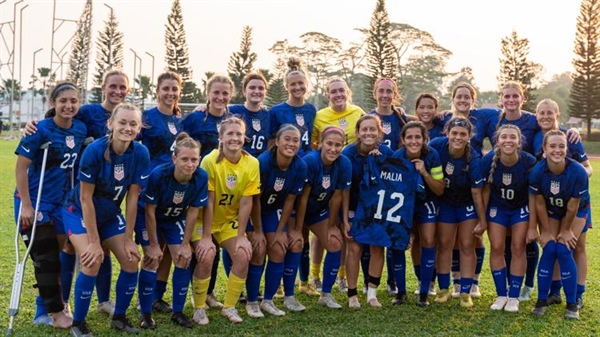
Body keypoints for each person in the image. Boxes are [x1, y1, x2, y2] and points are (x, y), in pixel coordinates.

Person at [24, 70, 131, 317]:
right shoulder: (87, 111)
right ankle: (63, 302)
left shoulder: (130, 114)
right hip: (80, 189)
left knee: (102, 248)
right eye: (112, 86)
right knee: (72, 249)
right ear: (103, 87)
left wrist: (202, 106)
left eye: (122, 87)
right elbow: (60, 116)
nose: (117, 91)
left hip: (110, 193)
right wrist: (34, 125)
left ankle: (104, 301)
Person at [63, 103, 150, 336]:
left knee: (131, 260)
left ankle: (119, 317)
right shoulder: (94, 151)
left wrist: (130, 238)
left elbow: (133, 198)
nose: (127, 128)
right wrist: (93, 241)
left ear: (139, 127)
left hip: (110, 216)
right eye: (122, 122)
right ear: (111, 124)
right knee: (91, 261)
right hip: (78, 212)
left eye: (133, 124)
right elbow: (85, 198)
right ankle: (78, 323)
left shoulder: (140, 153)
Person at [14, 82, 87, 329]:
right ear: (53, 103)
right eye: (63, 101)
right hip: (34, 201)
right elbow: (21, 167)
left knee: (54, 257)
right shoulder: (39, 130)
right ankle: (55, 314)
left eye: (73, 101)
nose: (68, 105)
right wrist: (26, 204)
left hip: (60, 202)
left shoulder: (80, 129)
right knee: (45, 257)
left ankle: (44, 308)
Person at [135, 132, 208, 329]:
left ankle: (178, 312)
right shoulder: (159, 174)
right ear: (174, 158)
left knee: (184, 258)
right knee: (152, 258)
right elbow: (149, 211)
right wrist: (153, 245)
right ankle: (146, 312)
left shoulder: (201, 177)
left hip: (173, 218)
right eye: (184, 159)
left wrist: (185, 244)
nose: (189, 164)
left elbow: (193, 212)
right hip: (148, 217)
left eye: (194, 159)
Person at [192, 116, 260, 323]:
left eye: (239, 134)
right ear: (220, 137)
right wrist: (205, 237)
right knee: (206, 254)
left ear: (244, 137)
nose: (235, 138)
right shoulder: (209, 160)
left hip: (228, 221)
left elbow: (247, 203)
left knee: (242, 253)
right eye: (229, 134)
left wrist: (241, 236)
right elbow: (208, 201)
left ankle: (229, 307)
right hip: (203, 221)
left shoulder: (252, 163)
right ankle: (199, 307)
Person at [533, 99, 592, 309]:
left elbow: (588, 168)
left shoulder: (570, 136)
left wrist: (575, 178)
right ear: (536, 115)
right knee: (554, 246)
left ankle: (578, 293)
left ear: (558, 115)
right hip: (550, 202)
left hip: (576, 200)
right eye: (542, 113)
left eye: (550, 113)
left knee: (576, 246)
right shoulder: (534, 134)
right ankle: (555, 291)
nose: (546, 117)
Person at [183, 74, 235, 308]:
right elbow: (182, 146)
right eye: (216, 92)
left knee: (211, 240)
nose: (220, 97)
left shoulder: (233, 119)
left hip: (222, 188)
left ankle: (209, 292)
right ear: (208, 93)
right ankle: (188, 294)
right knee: (196, 242)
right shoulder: (194, 119)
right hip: (195, 187)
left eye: (225, 93)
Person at [309, 78, 364, 293]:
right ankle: (314, 275)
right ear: (327, 95)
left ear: (348, 92)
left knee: (341, 228)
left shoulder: (357, 111)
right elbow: (314, 142)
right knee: (319, 233)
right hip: (324, 173)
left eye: (342, 90)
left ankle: (341, 276)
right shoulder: (320, 116)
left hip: (347, 172)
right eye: (333, 92)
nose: (338, 94)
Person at [137, 71, 184, 314]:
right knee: (151, 248)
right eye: (166, 88)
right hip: (150, 190)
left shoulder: (180, 121)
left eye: (174, 89)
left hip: (174, 192)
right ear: (157, 91)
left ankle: (157, 296)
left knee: (166, 247)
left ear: (179, 92)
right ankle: (143, 298)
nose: (170, 93)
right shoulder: (145, 118)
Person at [478, 125, 537, 312]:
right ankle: (501, 294)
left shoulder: (528, 161)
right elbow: (484, 190)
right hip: (498, 209)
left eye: (513, 137)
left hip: (520, 208)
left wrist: (532, 226)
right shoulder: (489, 160)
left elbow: (534, 196)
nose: (508, 140)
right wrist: (482, 219)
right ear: (498, 140)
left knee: (518, 246)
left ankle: (514, 297)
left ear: (519, 142)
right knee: (496, 247)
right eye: (504, 137)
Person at [429, 117, 486, 308]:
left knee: (467, 245)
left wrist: (482, 220)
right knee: (444, 245)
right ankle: (444, 289)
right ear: (447, 133)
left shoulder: (474, 157)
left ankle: (465, 292)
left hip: (466, 205)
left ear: (469, 136)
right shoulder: (436, 145)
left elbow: (477, 192)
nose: (458, 137)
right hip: (445, 203)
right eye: (454, 133)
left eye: (463, 134)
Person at [296, 126, 352, 309]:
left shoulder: (344, 163)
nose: (333, 149)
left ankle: (326, 294)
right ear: (320, 143)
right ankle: (288, 291)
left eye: (338, 145)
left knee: (335, 242)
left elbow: (337, 196)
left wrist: (330, 225)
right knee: (294, 243)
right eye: (329, 144)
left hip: (317, 210)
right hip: (296, 209)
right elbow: (302, 198)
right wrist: (298, 228)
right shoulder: (310, 161)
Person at [342, 114, 393, 308]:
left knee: (377, 247)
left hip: (377, 208)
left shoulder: (386, 152)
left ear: (380, 133)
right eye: (364, 129)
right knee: (354, 248)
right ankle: (352, 294)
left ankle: (372, 293)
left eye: (373, 129)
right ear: (357, 133)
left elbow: (393, 184)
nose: (368, 133)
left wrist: (380, 164)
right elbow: (344, 190)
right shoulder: (348, 154)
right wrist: (345, 218)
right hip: (354, 207)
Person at [257, 124, 308, 314]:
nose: (291, 143)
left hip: (272, 210)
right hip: (253, 210)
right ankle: (252, 299)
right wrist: (258, 231)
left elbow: (289, 201)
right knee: (257, 248)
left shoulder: (300, 166)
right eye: (287, 139)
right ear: (277, 142)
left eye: (296, 140)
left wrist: (280, 231)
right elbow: (254, 200)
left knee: (284, 246)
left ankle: (276, 299)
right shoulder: (263, 162)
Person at [396, 121, 444, 307]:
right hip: (404, 204)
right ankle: (400, 292)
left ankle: (424, 291)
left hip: (427, 202)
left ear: (425, 139)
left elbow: (440, 189)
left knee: (428, 241)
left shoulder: (432, 156)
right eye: (410, 137)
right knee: (398, 242)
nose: (414, 141)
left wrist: (424, 172)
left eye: (418, 137)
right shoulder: (397, 156)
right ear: (403, 139)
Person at [230, 72, 271, 157]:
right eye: (252, 88)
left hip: (260, 165)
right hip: (238, 163)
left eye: (261, 88)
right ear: (244, 91)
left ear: (265, 92)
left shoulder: (270, 116)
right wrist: (203, 107)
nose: (257, 91)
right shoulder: (232, 111)